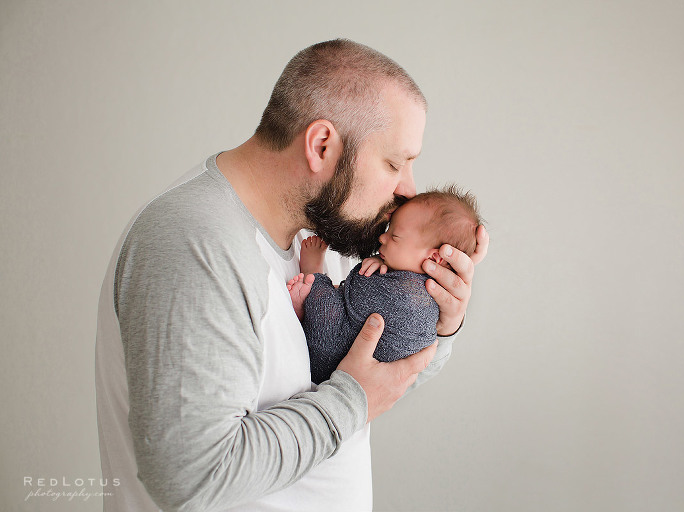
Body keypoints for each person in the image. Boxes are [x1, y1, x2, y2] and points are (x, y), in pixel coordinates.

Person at [95, 39, 488, 512]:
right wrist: (351, 402)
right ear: (322, 145)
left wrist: (440, 317)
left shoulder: (330, 238)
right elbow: (193, 477)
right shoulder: (193, 242)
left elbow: (378, 375)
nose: (408, 189)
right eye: (393, 163)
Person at [287, 186, 482, 384]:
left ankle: (312, 274)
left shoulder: (412, 297)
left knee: (326, 305)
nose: (382, 237)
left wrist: (448, 328)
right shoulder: (413, 282)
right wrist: (384, 262)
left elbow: (359, 293)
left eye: (394, 237)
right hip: (346, 374)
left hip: (330, 356)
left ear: (434, 257)